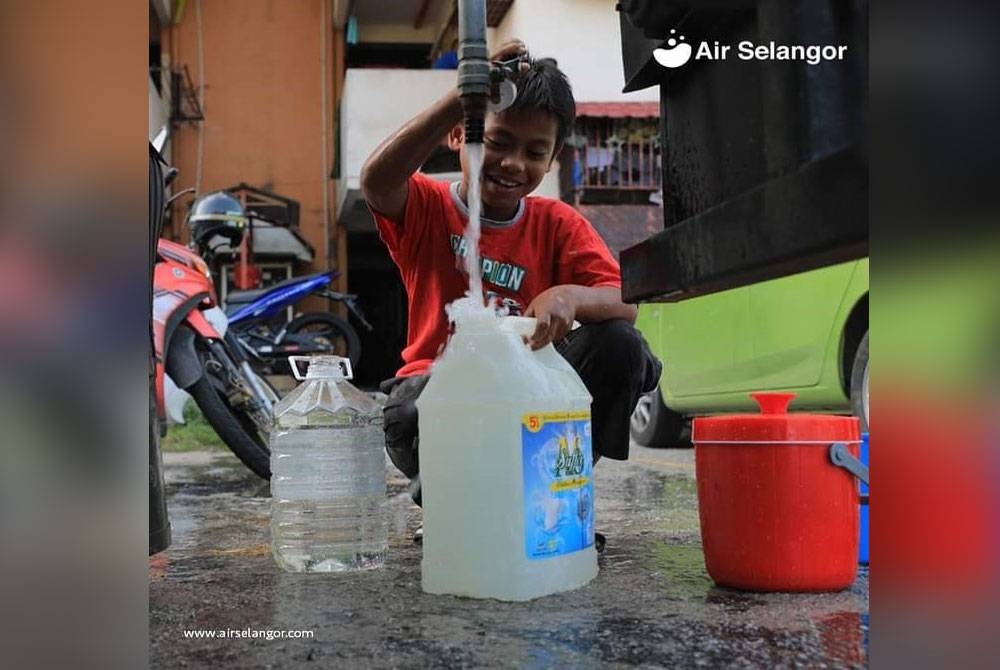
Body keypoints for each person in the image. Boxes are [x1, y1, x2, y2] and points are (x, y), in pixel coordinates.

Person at [360, 40, 662, 540]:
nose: (513, 164)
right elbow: (377, 179)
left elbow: (626, 303)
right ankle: (459, 510)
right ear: (459, 134)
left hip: (533, 407)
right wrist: (465, 94)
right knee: (411, 406)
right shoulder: (426, 206)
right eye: (497, 142)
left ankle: (556, 496)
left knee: (621, 347)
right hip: (437, 402)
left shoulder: (558, 223)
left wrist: (570, 296)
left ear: (553, 157)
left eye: (534, 151)